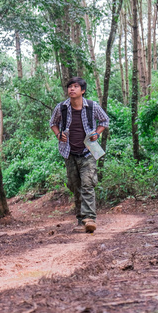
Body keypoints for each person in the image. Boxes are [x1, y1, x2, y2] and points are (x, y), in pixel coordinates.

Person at [49, 77, 109, 233]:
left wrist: (97, 133)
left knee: (88, 183)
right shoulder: (61, 107)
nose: (72, 89)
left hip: (88, 151)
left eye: (75, 86)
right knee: (75, 186)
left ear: (82, 90)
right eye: (69, 86)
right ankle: (81, 221)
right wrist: (58, 134)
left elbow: (105, 121)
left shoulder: (91, 106)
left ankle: (90, 219)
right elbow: (52, 123)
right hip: (69, 152)